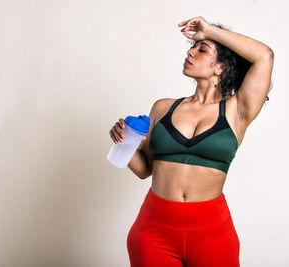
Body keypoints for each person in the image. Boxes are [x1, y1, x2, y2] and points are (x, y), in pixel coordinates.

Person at [109, 16, 274, 267]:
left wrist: (210, 31)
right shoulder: (163, 108)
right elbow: (144, 170)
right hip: (154, 230)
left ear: (221, 67)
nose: (191, 50)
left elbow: (264, 56)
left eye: (202, 49)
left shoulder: (237, 110)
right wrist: (124, 141)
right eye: (192, 46)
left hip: (211, 232)